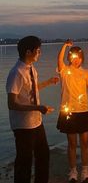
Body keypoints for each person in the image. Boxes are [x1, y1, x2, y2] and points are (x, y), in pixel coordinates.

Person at [6, 35, 59, 183]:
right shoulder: (16, 73)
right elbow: (12, 103)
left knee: (43, 155)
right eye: (38, 50)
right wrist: (38, 107)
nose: (40, 53)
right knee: (24, 162)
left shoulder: (31, 69)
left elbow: (32, 91)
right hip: (23, 125)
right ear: (29, 52)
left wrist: (48, 82)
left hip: (36, 122)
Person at [56, 40, 88, 183]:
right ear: (69, 58)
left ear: (82, 58)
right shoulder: (64, 71)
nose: (76, 60)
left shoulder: (84, 72)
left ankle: (85, 171)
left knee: (85, 143)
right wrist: (65, 46)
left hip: (84, 110)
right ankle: (73, 171)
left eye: (79, 57)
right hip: (69, 112)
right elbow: (59, 60)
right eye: (73, 57)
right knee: (72, 144)